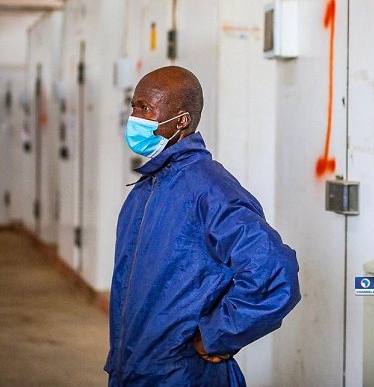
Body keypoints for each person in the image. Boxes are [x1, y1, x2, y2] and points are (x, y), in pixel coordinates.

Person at [104, 66, 301, 386]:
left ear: (181, 120)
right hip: (135, 367)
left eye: (146, 108)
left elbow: (274, 273)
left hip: (183, 374)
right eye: (134, 107)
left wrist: (217, 334)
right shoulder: (149, 186)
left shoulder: (211, 190)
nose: (135, 117)